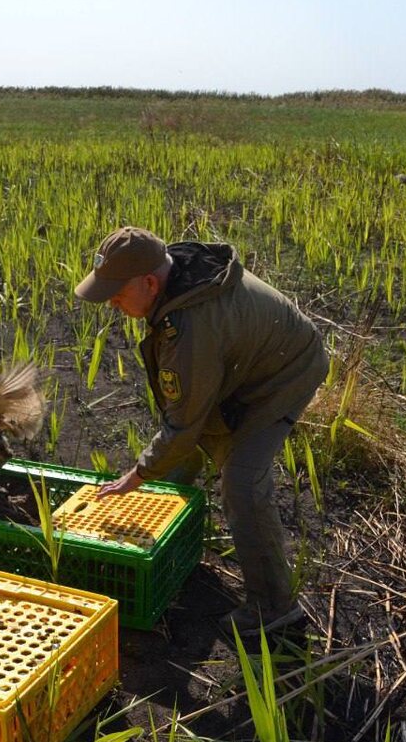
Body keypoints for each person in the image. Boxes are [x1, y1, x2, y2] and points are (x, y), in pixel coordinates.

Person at [75, 225, 328, 637]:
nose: (113, 304)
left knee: (243, 482)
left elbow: (183, 423)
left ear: (150, 282)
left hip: (286, 373)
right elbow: (189, 412)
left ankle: (274, 606)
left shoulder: (190, 325)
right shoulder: (179, 275)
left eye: (118, 294)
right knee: (189, 445)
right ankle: (176, 527)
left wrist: (136, 476)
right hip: (247, 364)